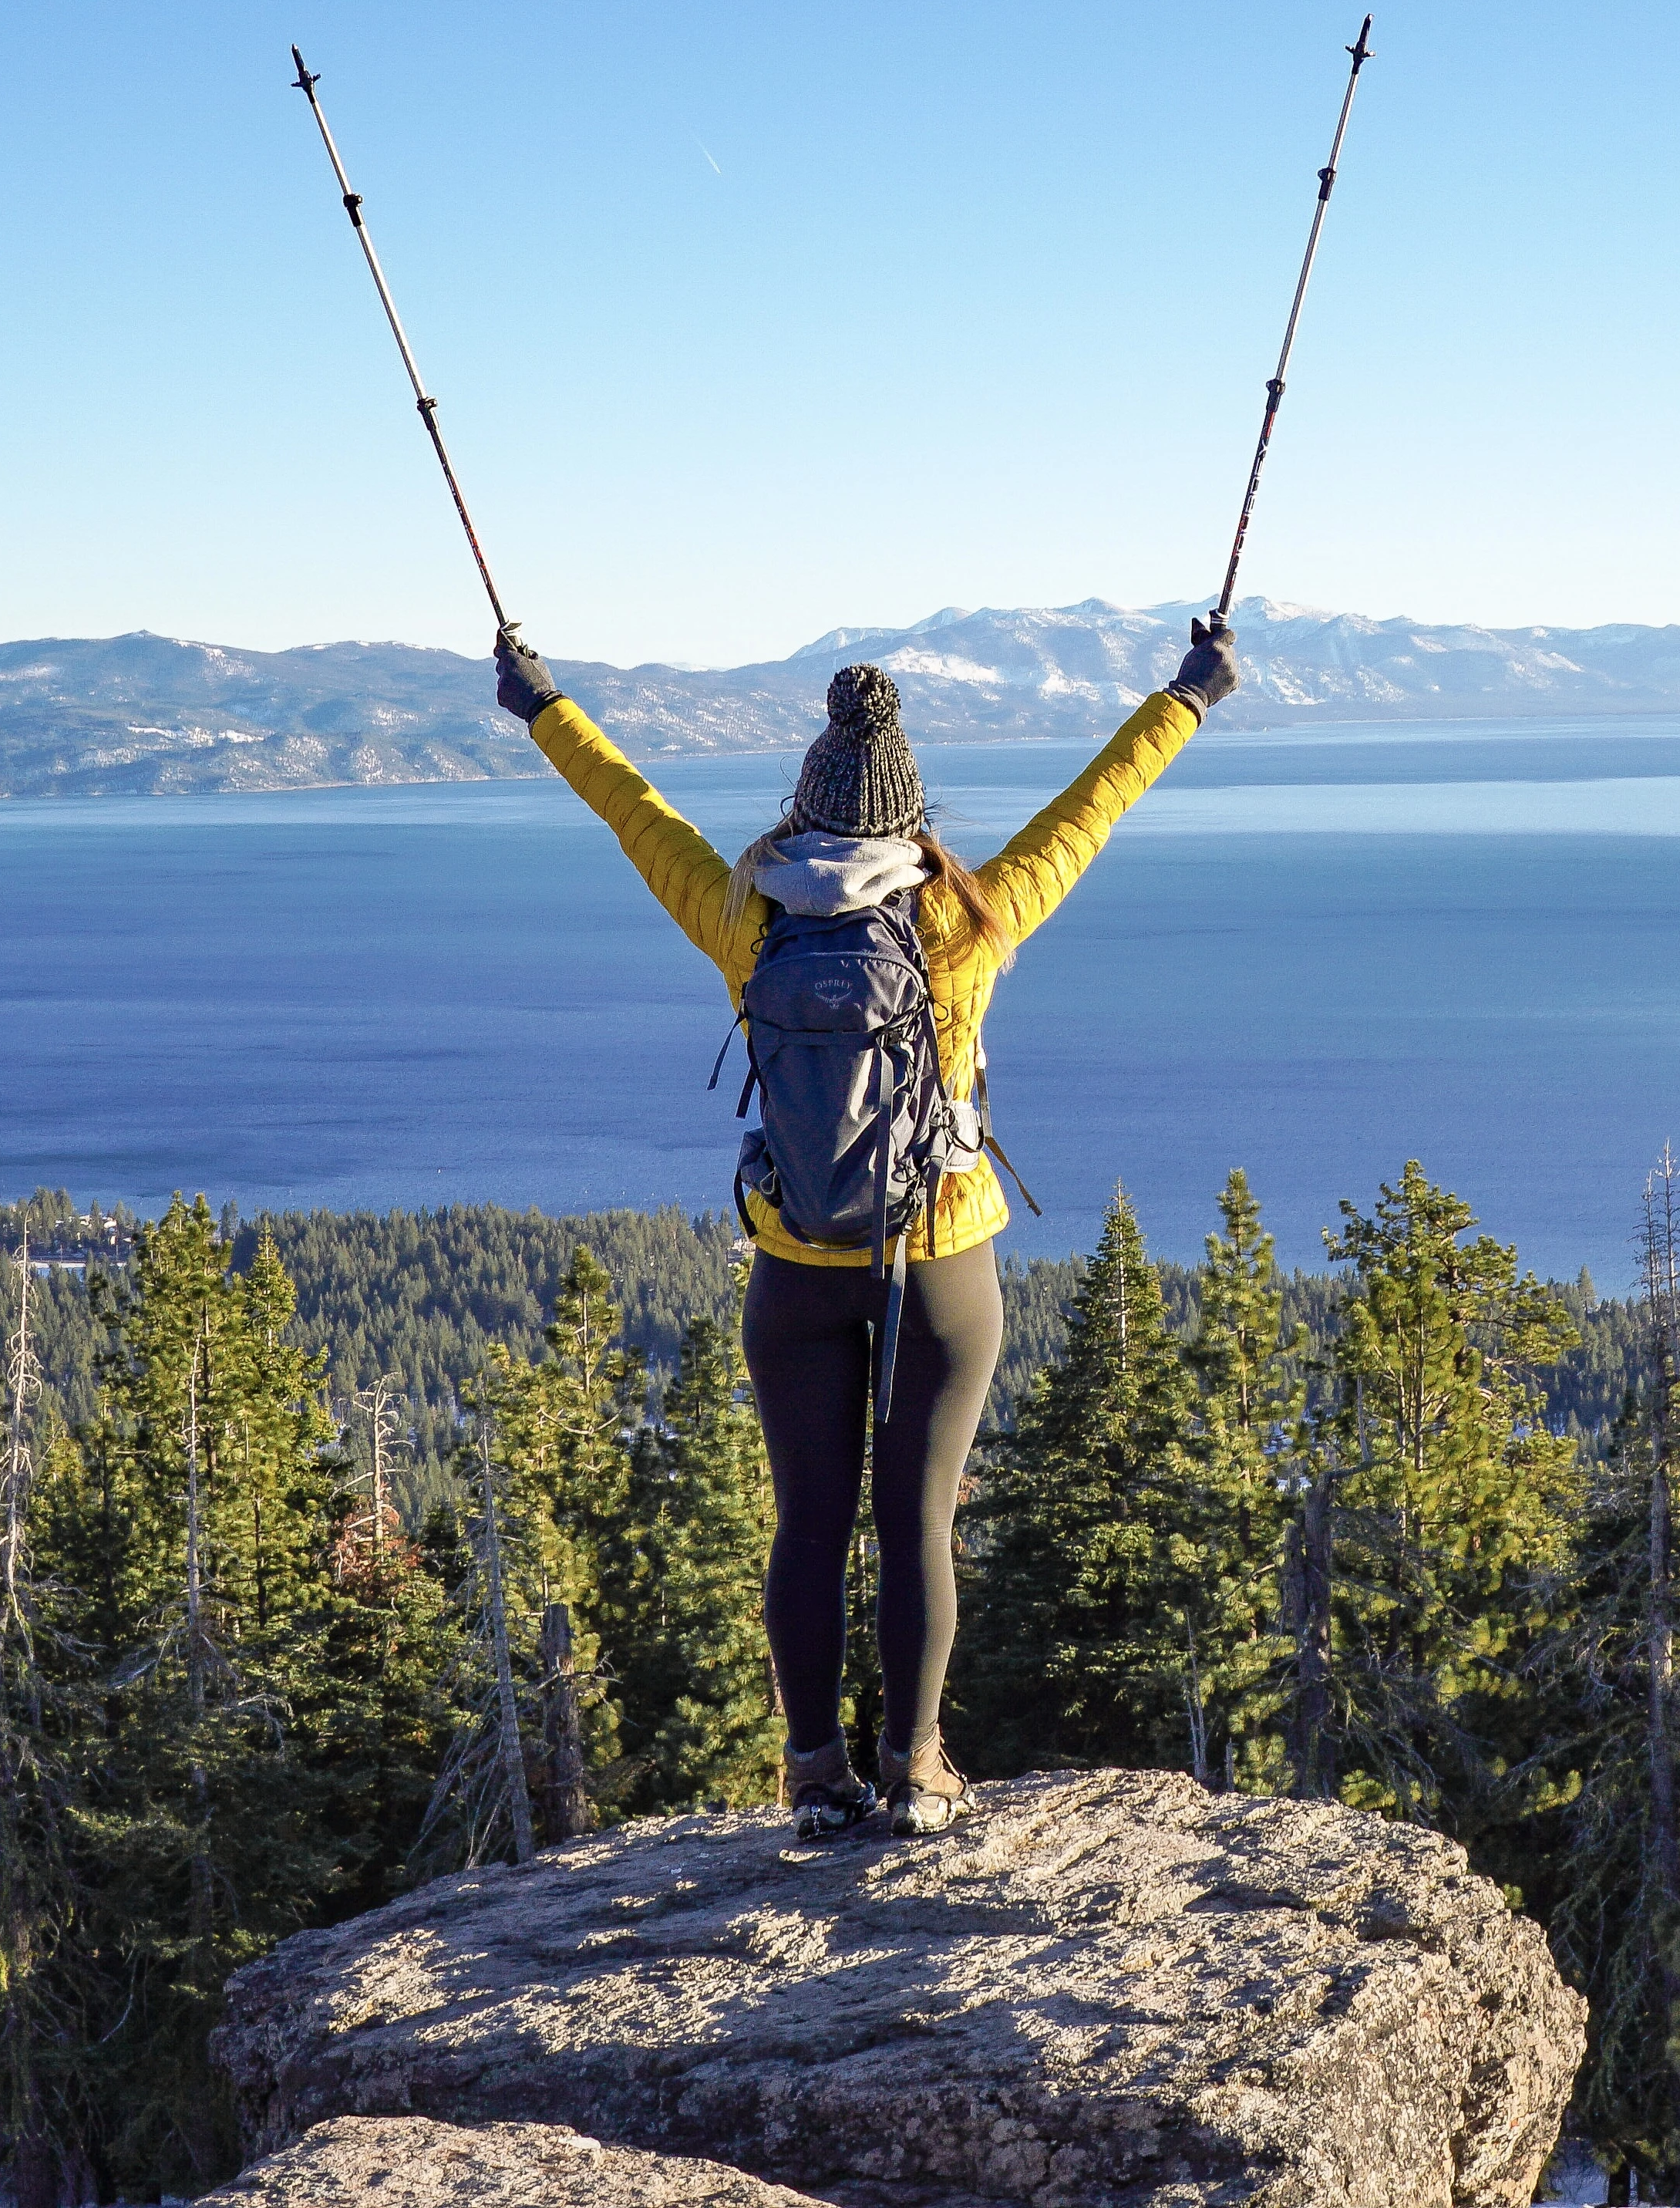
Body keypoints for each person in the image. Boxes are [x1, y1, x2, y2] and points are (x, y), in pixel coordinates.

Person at [490, 612, 1239, 1836]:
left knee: (810, 1521)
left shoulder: (746, 915)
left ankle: (813, 1771)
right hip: (937, 1263)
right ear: (911, 818)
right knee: (918, 1522)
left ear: (804, 805)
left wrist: (543, 707)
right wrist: (1189, 696)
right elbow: (1090, 811)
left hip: (794, 1268)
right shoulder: (962, 922)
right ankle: (916, 1767)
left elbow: (633, 810)